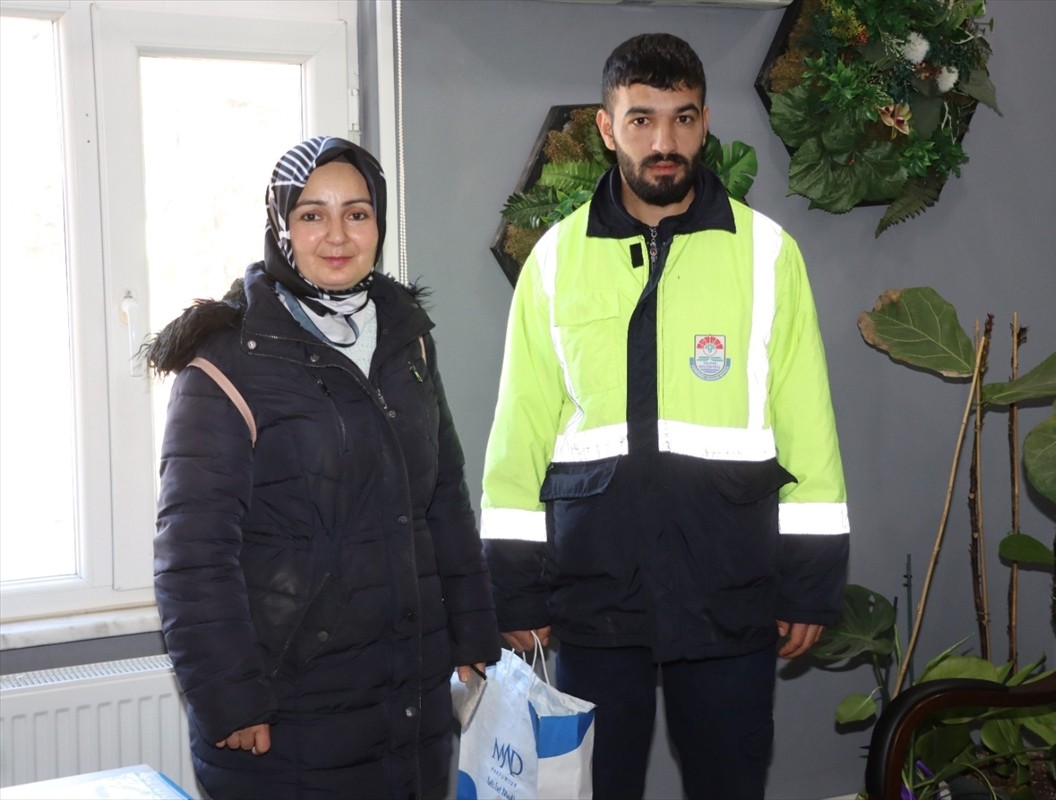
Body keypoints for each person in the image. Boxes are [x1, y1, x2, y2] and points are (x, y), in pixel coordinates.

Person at [479, 33, 850, 800]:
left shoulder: (768, 255)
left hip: (728, 584)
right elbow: (519, 434)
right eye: (642, 120)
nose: (664, 141)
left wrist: (810, 585)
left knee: (730, 784)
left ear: (704, 121)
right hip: (594, 590)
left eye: (682, 118)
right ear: (608, 128)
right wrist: (513, 591)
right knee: (592, 789)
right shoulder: (554, 261)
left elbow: (809, 428)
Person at [147, 136, 500, 799]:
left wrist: (473, 631)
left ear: (380, 222)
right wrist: (230, 699)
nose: (337, 234)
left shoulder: (405, 337)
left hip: (409, 699)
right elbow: (192, 553)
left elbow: (443, 496)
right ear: (282, 224)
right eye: (312, 214)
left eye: (357, 213)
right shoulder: (227, 357)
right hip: (287, 711)